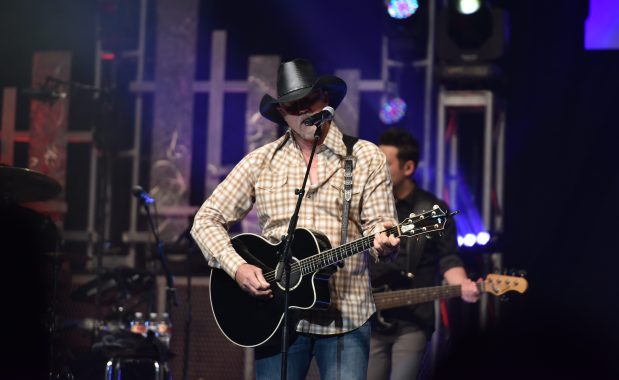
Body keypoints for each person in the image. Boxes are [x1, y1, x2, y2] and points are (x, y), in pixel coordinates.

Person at [191, 58, 400, 380]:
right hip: (276, 314)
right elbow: (206, 219)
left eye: (309, 102)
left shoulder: (364, 156)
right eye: (293, 106)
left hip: (346, 313)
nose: (303, 112)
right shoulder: (260, 162)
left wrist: (384, 241)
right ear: (280, 112)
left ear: (325, 100)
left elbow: (379, 224)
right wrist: (237, 266)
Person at [367, 127, 480, 380]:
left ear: (408, 168)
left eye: (385, 163)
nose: (378, 170)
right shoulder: (370, 206)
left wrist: (461, 285)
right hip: (370, 319)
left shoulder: (432, 210)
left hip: (413, 321)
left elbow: (449, 258)